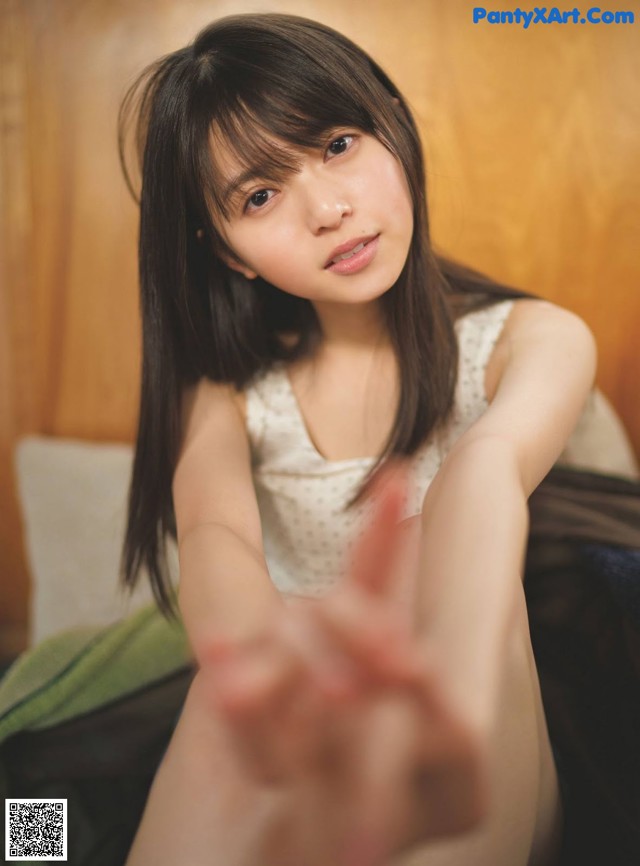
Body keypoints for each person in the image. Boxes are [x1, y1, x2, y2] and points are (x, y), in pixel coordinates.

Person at [117, 12, 602, 866]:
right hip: (299, 731)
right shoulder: (227, 394)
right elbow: (214, 537)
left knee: (427, 539)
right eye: (259, 197)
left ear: (393, 126)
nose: (329, 210)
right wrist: (268, 671)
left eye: (338, 144)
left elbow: (484, 477)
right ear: (227, 252)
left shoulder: (533, 340)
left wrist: (431, 684)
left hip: (484, 712)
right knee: (42, 811)